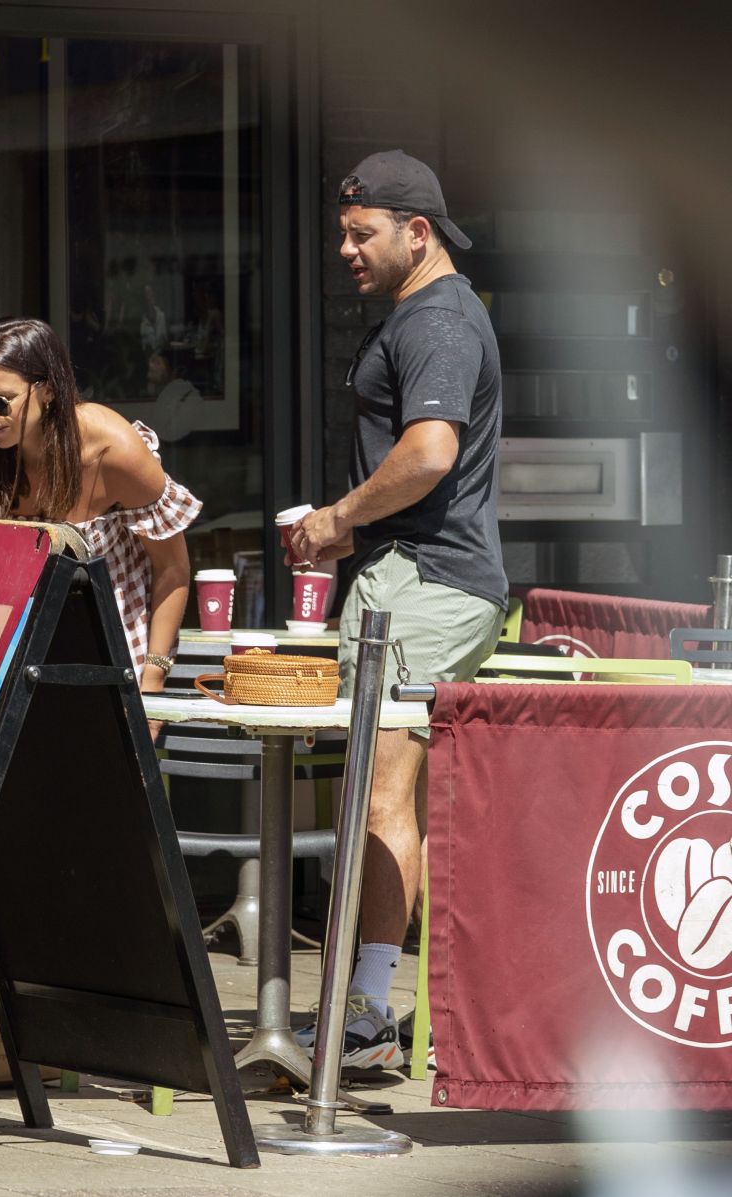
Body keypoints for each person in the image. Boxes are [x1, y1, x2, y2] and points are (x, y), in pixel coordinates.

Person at [290, 150, 507, 1070]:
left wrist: (338, 518)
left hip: (430, 581)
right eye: (343, 232)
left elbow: (427, 453)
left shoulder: (443, 322)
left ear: (417, 232)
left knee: (381, 796)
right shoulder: (421, 316)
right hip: (404, 576)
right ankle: (365, 1004)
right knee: (368, 795)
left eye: (360, 232)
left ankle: (372, 1016)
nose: (345, 248)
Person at [0, 317, 200, 709]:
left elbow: (172, 570)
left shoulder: (113, 451)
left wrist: (153, 679)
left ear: (46, 390)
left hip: (104, 660)